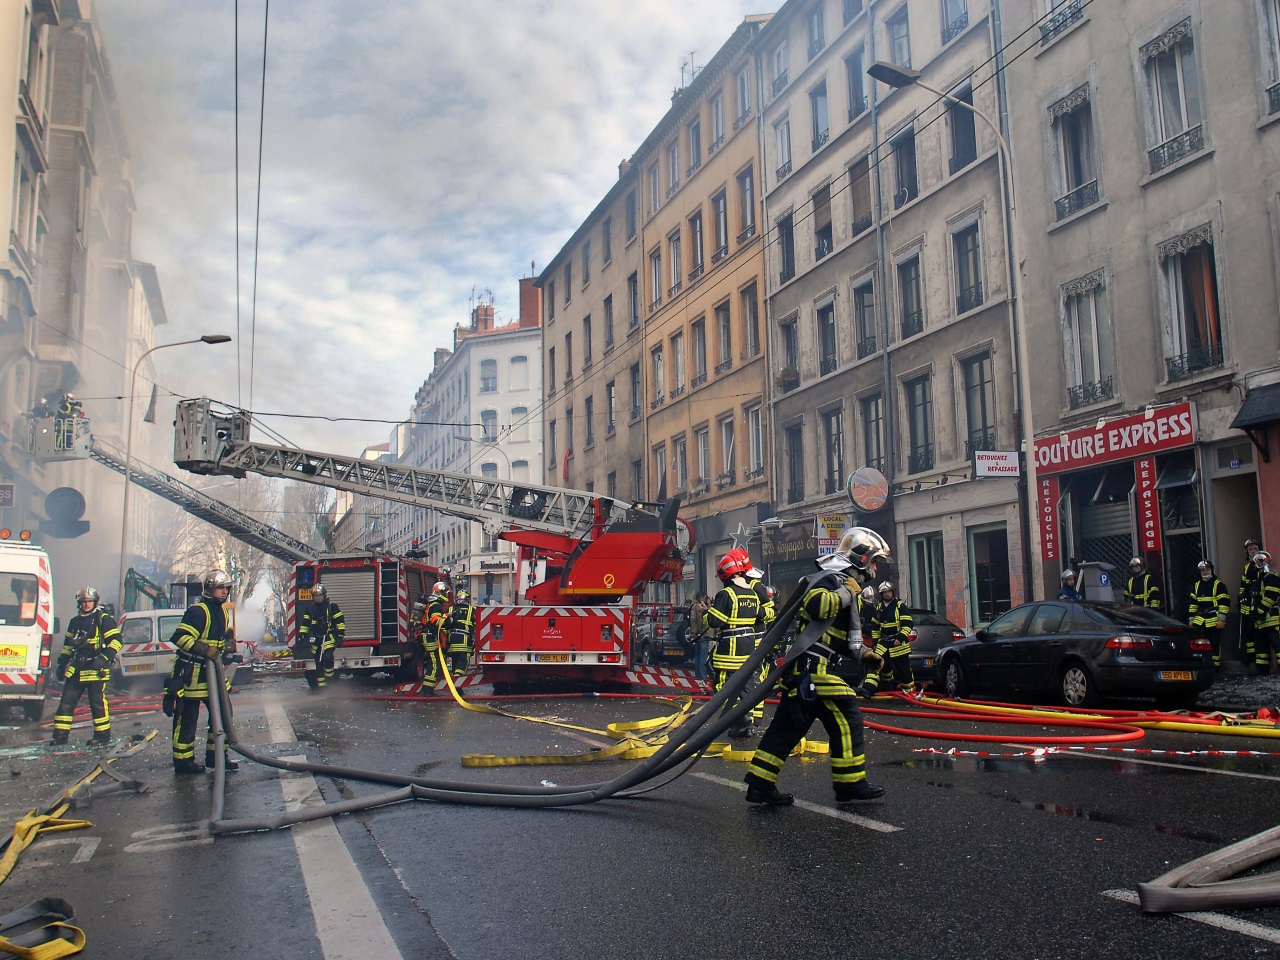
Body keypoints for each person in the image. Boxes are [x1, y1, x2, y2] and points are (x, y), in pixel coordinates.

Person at [744, 527, 889, 806]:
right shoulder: (832, 579)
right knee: (848, 716)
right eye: (874, 561)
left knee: (786, 730)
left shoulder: (847, 586)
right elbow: (816, 606)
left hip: (806, 671)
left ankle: (760, 784)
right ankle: (850, 783)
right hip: (815, 670)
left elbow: (842, 638)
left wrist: (864, 655)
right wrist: (846, 592)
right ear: (861, 557)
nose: (875, 568)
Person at [168, 569, 240, 774]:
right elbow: (180, 637)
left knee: (224, 714)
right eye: (220, 588)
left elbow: (219, 643)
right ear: (209, 589)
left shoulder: (222, 612)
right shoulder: (198, 611)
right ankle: (183, 762)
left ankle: (216, 756)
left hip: (213, 674)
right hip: (192, 674)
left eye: (226, 588)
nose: (224, 592)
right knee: (188, 718)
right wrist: (203, 649)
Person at [51, 587, 121, 746]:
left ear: (95, 602)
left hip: (96, 669)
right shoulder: (74, 622)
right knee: (66, 702)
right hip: (77, 668)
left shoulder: (103, 619)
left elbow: (116, 641)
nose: (86, 604)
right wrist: (62, 664)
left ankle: (101, 737)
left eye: (89, 601)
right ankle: (60, 737)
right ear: (79, 603)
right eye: (84, 601)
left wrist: (104, 658)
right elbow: (68, 646)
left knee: (97, 704)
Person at [706, 549, 763, 738]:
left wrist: (707, 613)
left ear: (725, 574)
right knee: (747, 687)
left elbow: (715, 621)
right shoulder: (753, 594)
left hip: (729, 652)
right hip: (749, 648)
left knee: (723, 688)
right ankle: (749, 724)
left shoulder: (726, 594)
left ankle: (740, 719)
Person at [863, 581, 915, 697]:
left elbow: (908, 624)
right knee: (874, 663)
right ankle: (868, 688)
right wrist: (875, 643)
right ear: (881, 594)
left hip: (898, 644)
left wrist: (900, 638)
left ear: (893, 592)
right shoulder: (879, 607)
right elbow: (875, 627)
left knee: (904, 669)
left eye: (889, 591)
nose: (887, 594)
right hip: (883, 642)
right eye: (884, 592)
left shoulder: (900, 606)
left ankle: (909, 692)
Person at [298, 583, 345, 691]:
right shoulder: (310, 609)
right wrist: (302, 636)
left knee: (327, 657)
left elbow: (340, 622)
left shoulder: (332, 607)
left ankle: (330, 681)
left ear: (324, 595)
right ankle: (322, 689)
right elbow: (305, 624)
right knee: (318, 663)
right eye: (316, 595)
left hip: (328, 637)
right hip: (316, 639)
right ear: (313, 597)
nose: (318, 597)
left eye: (320, 595)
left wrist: (340, 636)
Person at [1187, 559, 1230, 669]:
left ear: (1211, 570)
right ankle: (1202, 664)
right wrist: (1191, 618)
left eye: (1207, 570)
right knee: (1199, 643)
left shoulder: (1219, 585)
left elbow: (1224, 603)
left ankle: (1215, 666)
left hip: (1214, 619)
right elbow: (1192, 604)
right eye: (1202, 570)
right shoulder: (1196, 586)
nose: (1205, 572)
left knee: (1215, 643)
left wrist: (1221, 619)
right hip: (1200, 620)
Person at [1251, 551, 1279, 676]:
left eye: (1259, 561)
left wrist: (1261, 610)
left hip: (1271, 617)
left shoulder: (1271, 577)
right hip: (1260, 620)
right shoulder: (1260, 579)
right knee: (1261, 646)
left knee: (1277, 643)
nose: (1257, 564)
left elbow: (1271, 595)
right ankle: (1262, 669)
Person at [421, 581, 451, 687]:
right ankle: (427, 689)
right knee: (434, 664)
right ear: (441, 593)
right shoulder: (436, 605)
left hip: (429, 636)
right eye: (445, 593)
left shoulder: (433, 603)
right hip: (430, 637)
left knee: (435, 663)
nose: (446, 595)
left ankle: (430, 687)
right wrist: (447, 617)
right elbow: (435, 620)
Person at [1240, 539, 1264, 668]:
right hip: (1247, 604)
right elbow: (1243, 583)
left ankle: (1260, 663)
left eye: (1255, 548)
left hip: (1258, 602)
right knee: (1248, 632)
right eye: (1250, 549)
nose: (1253, 551)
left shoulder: (1262, 563)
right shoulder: (1247, 566)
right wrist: (1241, 595)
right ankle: (1250, 658)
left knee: (1258, 634)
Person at [444, 589, 476, 677]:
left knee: (455, 660)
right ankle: (457, 678)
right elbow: (477, 626)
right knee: (462, 662)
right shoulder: (472, 610)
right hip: (464, 641)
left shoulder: (450, 609)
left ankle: (455, 677)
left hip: (452, 640)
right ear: (467, 599)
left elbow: (445, 624)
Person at [685, 591, 712, 681]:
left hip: (696, 635)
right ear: (702, 598)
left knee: (697, 656)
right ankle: (703, 678)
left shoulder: (693, 606)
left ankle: (697, 676)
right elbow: (709, 616)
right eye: (705, 598)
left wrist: (694, 634)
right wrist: (709, 605)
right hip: (703, 634)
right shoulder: (701, 607)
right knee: (703, 658)